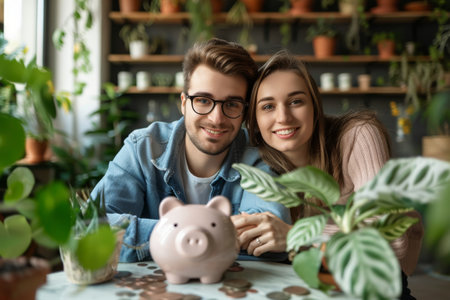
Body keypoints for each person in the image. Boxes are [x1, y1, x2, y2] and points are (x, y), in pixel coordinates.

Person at [231, 51, 423, 298]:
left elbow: (393, 242)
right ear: (254, 121)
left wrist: (293, 235)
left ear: (315, 107)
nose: (283, 117)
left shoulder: (356, 136)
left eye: (296, 101)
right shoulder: (258, 162)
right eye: (268, 106)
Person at [91, 39, 290, 262]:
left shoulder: (257, 158)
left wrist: (164, 236)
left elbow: (264, 240)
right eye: (204, 100)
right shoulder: (143, 148)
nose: (217, 118)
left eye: (232, 104)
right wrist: (195, 236)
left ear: (244, 112)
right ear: (184, 103)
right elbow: (91, 227)